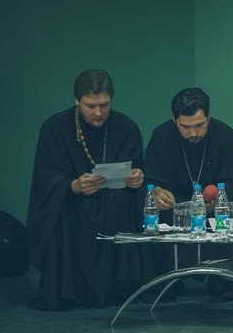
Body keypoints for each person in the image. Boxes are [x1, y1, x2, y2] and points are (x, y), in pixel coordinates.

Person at [27, 69, 153, 310]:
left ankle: (119, 287)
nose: (98, 112)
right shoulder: (54, 128)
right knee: (62, 208)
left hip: (113, 201)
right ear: (77, 101)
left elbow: (137, 169)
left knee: (123, 200)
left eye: (104, 105)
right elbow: (46, 178)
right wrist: (73, 186)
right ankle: (68, 291)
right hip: (71, 202)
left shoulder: (126, 127)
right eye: (90, 106)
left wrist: (137, 177)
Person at [143, 87, 233, 298]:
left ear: (208, 117)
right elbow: (152, 179)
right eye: (185, 127)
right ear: (174, 120)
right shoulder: (161, 136)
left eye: (199, 125)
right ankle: (165, 284)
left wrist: (216, 202)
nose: (193, 133)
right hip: (176, 210)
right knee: (148, 213)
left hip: (217, 210)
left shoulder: (225, 135)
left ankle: (227, 281)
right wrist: (158, 191)